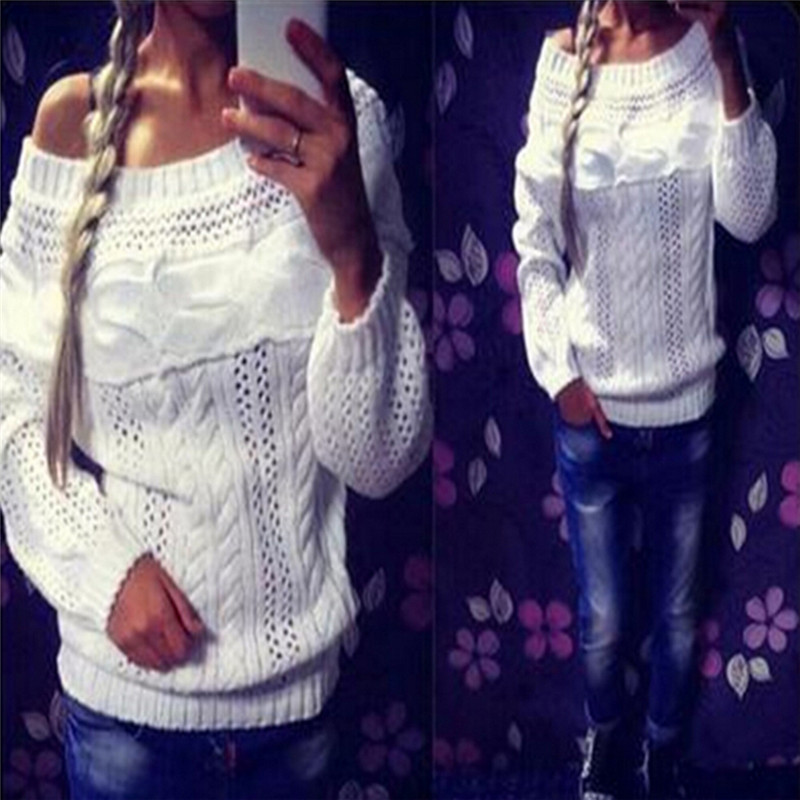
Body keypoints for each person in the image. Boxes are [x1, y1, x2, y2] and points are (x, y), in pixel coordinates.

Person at [0, 1, 432, 798]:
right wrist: (102, 568)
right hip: (125, 717)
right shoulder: (73, 125)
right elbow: (13, 409)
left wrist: (351, 253)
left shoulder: (341, 122)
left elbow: (378, 461)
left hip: (296, 720)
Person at [512, 1, 776, 798]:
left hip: (688, 413)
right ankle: (605, 742)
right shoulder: (563, 61)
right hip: (591, 420)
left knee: (678, 616)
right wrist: (560, 375)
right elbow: (534, 244)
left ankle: (663, 753)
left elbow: (751, 215)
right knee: (604, 621)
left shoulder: (707, 51)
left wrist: (723, 51)